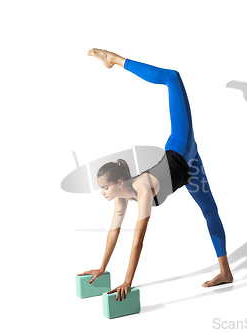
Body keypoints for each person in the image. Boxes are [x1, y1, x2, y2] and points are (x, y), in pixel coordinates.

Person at [78, 48, 233, 301]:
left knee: (172, 77)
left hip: (182, 147)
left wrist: (127, 281)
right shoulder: (121, 198)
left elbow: (138, 241)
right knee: (210, 212)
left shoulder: (142, 189)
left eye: (104, 188)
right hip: (191, 171)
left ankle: (115, 59)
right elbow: (113, 232)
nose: (102, 192)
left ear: (119, 182)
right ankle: (226, 273)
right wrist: (102, 267)